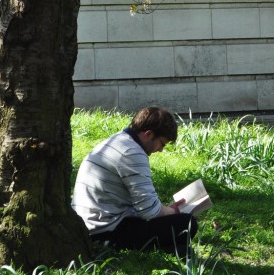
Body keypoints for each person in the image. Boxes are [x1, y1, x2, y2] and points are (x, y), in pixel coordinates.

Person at [72, 106, 198, 255]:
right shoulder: (132, 153)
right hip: (105, 231)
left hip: (92, 224)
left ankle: (167, 250)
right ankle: (161, 250)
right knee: (188, 223)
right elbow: (148, 212)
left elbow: (144, 205)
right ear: (148, 134)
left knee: (175, 226)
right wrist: (172, 212)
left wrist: (166, 210)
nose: (161, 150)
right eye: (162, 143)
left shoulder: (119, 140)